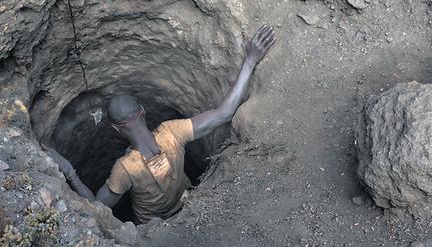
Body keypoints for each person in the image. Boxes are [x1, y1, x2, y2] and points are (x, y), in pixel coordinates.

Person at [43, 25, 276, 224]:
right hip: (188, 204)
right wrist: (250, 60)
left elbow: (97, 207)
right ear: (143, 111)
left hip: (151, 227)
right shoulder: (173, 132)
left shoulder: (125, 169)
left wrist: (68, 171)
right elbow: (224, 113)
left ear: (115, 128)